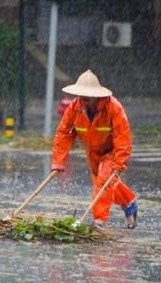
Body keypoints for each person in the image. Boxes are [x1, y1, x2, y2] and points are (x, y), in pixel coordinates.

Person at [51, 69, 138, 229]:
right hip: (92, 152)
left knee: (105, 178)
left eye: (85, 96)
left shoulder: (113, 108)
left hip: (111, 151)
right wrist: (58, 162)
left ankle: (99, 221)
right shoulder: (74, 108)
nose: (82, 99)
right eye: (80, 95)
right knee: (105, 183)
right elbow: (64, 133)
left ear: (95, 95)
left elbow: (123, 136)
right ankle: (129, 203)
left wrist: (120, 162)